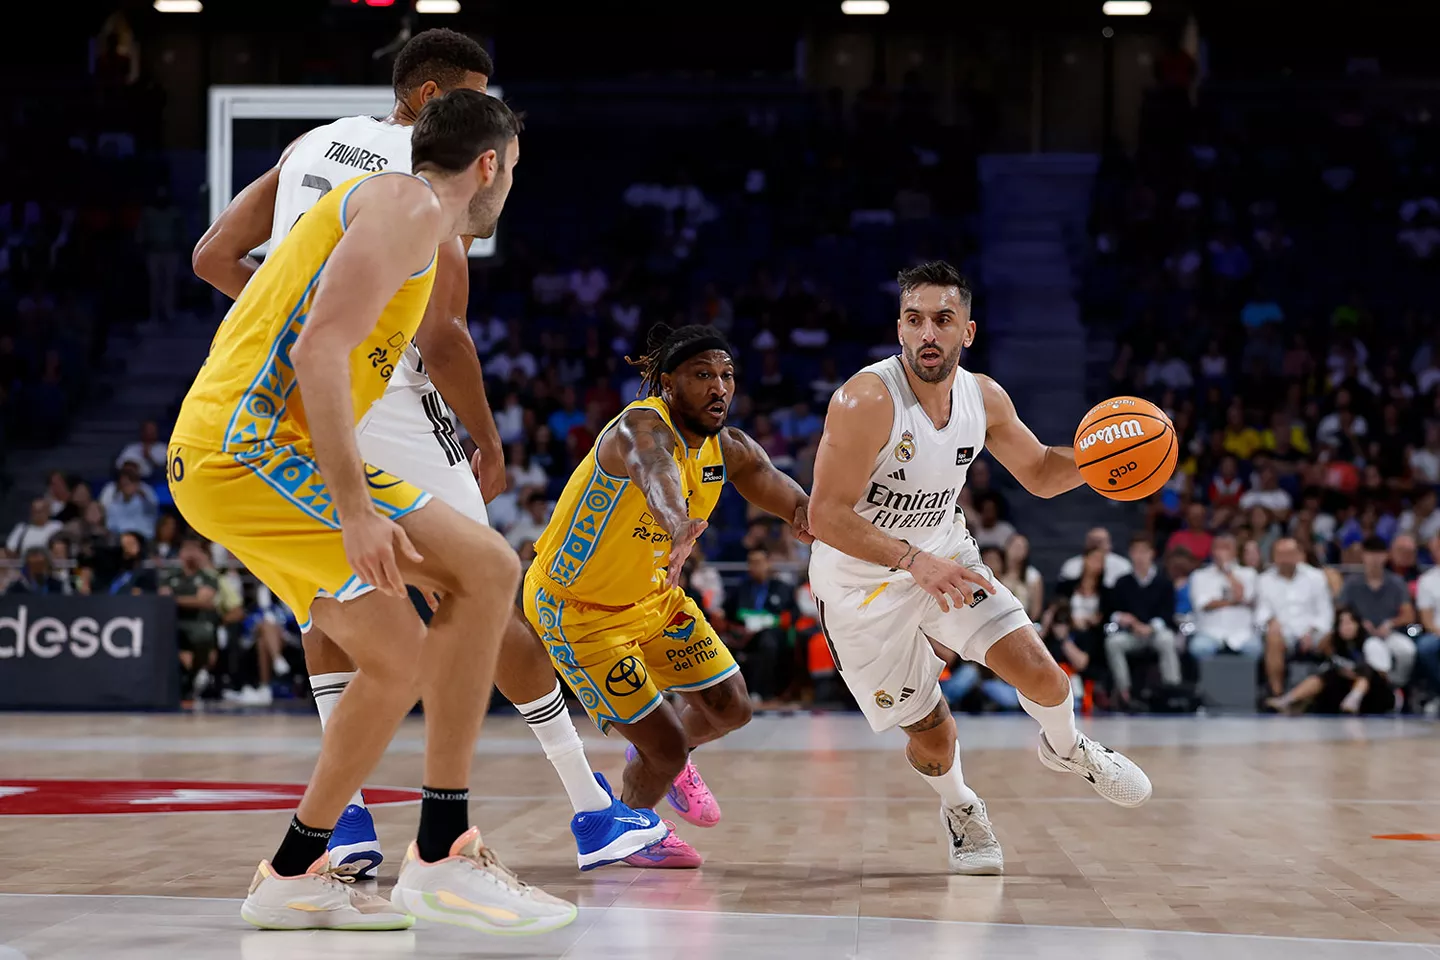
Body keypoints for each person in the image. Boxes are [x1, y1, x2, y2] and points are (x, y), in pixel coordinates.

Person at [194, 29, 664, 877]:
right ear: (435, 102)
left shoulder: (312, 143)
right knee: (483, 585)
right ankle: (588, 810)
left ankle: (343, 829)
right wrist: (481, 432)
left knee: (335, 610)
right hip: (383, 395)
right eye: (475, 98)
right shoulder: (419, 186)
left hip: (296, 409)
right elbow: (444, 334)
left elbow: (213, 256)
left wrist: (306, 322)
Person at [171, 90, 574, 934]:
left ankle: (291, 871)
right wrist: (355, 507)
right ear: (490, 164)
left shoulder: (402, 214)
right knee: (489, 568)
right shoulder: (406, 204)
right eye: (515, 171)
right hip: (246, 449)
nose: (510, 189)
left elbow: (249, 283)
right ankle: (442, 852)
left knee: (396, 658)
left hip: (261, 449)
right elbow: (319, 346)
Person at [806, 261, 1150, 878]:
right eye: (914, 320)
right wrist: (913, 562)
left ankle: (1069, 746)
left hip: (948, 557)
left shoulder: (983, 396)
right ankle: (961, 806)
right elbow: (825, 515)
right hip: (861, 585)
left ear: (968, 330)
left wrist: (1101, 462)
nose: (927, 333)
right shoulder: (865, 400)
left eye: (942, 319)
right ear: (900, 328)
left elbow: (1042, 471)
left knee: (1044, 676)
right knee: (934, 740)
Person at [524, 324, 812, 866]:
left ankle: (657, 756)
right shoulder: (638, 428)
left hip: (654, 600)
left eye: (726, 375)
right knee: (670, 746)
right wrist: (678, 522)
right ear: (666, 383)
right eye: (702, 375)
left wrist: (826, 525)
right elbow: (655, 472)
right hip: (578, 610)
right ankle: (631, 829)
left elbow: (795, 501)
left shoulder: (729, 448)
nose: (719, 387)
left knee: (732, 709)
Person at [1265, 608, 1396, 715]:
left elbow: (1382, 675)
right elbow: (1324, 656)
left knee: (1366, 671)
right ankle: (1288, 700)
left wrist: (1355, 673)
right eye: (1342, 624)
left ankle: (1353, 700)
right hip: (1344, 690)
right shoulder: (1336, 646)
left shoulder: (1371, 643)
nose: (1346, 627)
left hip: (1373, 693)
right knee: (1326, 676)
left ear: (1358, 625)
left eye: (1350, 623)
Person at [1103, 534, 1180, 709]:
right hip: (1131, 634)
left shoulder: (1163, 583)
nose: (1140, 556)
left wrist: (1151, 627)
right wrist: (1125, 620)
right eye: (1136, 552)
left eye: (1144, 552)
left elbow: (1168, 613)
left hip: (1155, 633)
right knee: (1113, 643)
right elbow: (1112, 611)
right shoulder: (1123, 582)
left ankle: (1171, 690)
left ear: (1152, 554)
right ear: (1130, 554)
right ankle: (1125, 692)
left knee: (1167, 640)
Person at [1252, 537, 1334, 698]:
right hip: (1283, 632)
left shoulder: (1316, 577)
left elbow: (1325, 612)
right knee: (1272, 637)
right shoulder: (1263, 580)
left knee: (1330, 637)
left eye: (1289, 553)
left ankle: (1328, 693)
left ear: (1299, 555)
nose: (1285, 559)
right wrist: (1272, 622)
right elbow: (1261, 612)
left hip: (1312, 630)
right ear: (1273, 557)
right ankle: (1278, 694)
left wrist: (1312, 631)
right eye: (1280, 554)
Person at [1336, 536, 1417, 691]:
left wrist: (1390, 623)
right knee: (1376, 651)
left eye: (1378, 554)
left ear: (1386, 556)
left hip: (1389, 632)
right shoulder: (1352, 583)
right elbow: (1341, 610)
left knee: (1407, 651)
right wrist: (1359, 623)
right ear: (1363, 556)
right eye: (1370, 554)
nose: (1374, 559)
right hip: (1363, 635)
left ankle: (1396, 686)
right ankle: (1381, 690)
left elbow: (1409, 615)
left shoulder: (1396, 582)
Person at [1185, 532, 1260, 660]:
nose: (1221, 553)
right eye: (1217, 548)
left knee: (1254, 649)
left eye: (1226, 548)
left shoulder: (1249, 574)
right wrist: (1234, 602)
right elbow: (1205, 604)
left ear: (1235, 552)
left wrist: (1227, 572)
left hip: (1242, 633)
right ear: (1212, 551)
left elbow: (1241, 596)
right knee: (1199, 647)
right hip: (1209, 632)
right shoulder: (1199, 576)